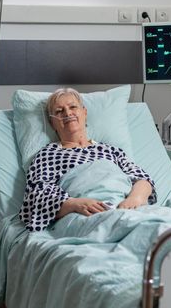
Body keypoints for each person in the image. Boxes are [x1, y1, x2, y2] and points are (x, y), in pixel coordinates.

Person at [19, 87, 157, 232]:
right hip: (85, 214)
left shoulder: (111, 150)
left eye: (73, 107)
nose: (67, 113)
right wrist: (74, 204)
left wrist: (134, 199)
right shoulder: (48, 154)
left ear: (84, 113)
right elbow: (37, 194)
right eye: (59, 111)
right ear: (52, 123)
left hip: (128, 207)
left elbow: (142, 179)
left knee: (165, 225)